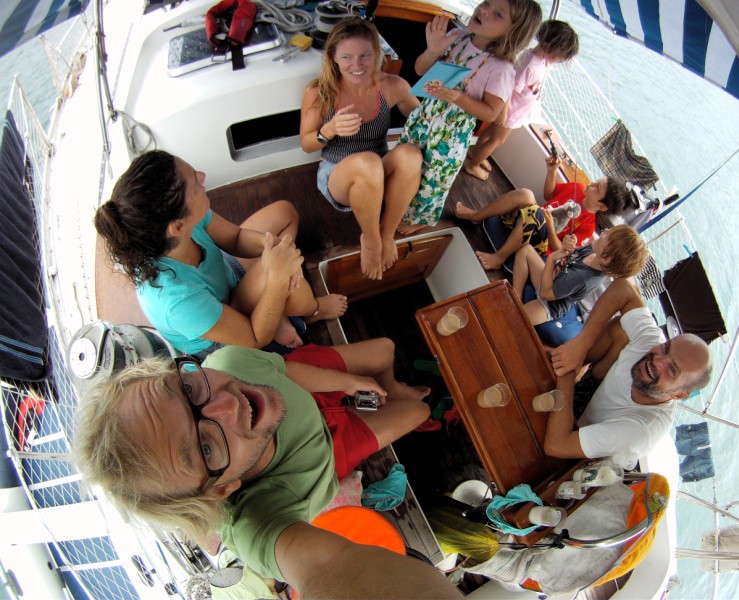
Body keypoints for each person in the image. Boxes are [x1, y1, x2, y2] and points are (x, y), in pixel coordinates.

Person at [72, 341, 460, 598]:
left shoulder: (228, 365)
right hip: (331, 451)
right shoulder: (256, 520)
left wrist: (350, 383)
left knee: (385, 350)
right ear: (221, 490)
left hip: (304, 396)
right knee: (419, 410)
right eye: (206, 448)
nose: (229, 403)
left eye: (187, 389)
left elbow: (282, 371)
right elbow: (325, 568)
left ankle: (392, 388)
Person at [94, 150, 347, 358]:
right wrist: (278, 276)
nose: (202, 177)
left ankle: (276, 309)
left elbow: (235, 238)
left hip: (227, 280)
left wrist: (272, 247)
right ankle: (312, 310)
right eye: (195, 183)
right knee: (287, 281)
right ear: (178, 226)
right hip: (227, 332)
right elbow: (253, 338)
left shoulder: (181, 223)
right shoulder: (175, 300)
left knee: (284, 214)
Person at [397, 1, 543, 234]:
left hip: (452, 133)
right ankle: (397, 195)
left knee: (433, 179)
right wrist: (433, 51)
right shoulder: (457, 36)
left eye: (498, 14)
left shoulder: (501, 69)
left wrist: (458, 97)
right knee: (406, 160)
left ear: (514, 31)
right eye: (486, 3)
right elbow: (420, 70)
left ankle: (421, 218)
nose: (484, 10)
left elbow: (491, 113)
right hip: (426, 116)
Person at [300, 18, 422, 280]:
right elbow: (306, 144)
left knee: (411, 154)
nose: (356, 66)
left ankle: (386, 234)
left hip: (379, 167)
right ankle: (372, 240)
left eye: (365, 55)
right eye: (347, 57)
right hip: (338, 174)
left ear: (376, 53)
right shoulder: (319, 92)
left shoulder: (393, 85)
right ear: (333, 57)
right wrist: (328, 130)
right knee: (368, 162)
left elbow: (424, 120)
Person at [543, 278, 713, 460]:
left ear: (679, 395)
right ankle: (568, 360)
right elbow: (624, 289)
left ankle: (564, 361)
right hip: (586, 391)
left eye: (672, 370)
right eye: (665, 348)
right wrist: (581, 343)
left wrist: (567, 371)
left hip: (576, 442)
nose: (657, 361)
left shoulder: (644, 431)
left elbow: (556, 445)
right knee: (622, 328)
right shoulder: (651, 341)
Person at [456, 154, 631, 270]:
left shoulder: (587, 225)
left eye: (596, 188)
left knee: (535, 214)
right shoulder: (577, 188)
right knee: (526, 195)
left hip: (537, 245)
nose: (591, 184)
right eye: (596, 182)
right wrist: (552, 172)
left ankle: (499, 258)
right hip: (526, 220)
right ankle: (476, 216)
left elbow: (560, 250)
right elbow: (549, 195)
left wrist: (549, 225)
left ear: (602, 207)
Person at [463, 19, 579, 181]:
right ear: (550, 47)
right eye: (561, 55)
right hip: (509, 112)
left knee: (489, 135)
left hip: (513, 111)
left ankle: (476, 153)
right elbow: (509, 90)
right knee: (496, 140)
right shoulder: (530, 65)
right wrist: (503, 114)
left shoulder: (537, 60)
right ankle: (473, 165)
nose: (561, 60)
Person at [514, 224, 650, 327]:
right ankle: (516, 295)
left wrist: (551, 259)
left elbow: (545, 294)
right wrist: (568, 248)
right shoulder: (592, 250)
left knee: (515, 318)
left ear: (606, 258)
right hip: (552, 279)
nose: (605, 229)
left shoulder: (584, 279)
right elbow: (570, 256)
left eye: (608, 234)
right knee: (526, 250)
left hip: (550, 304)